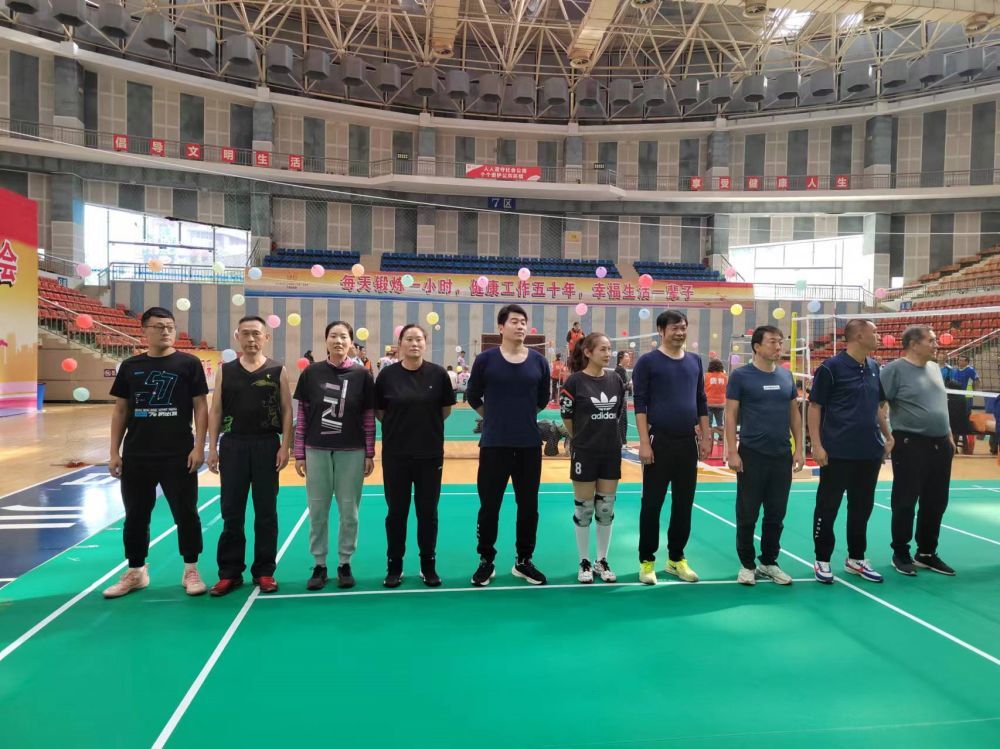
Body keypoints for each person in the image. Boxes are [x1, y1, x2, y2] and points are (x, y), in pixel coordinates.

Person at [104, 307, 209, 598]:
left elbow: (201, 406)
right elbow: (121, 410)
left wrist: (199, 446)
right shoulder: (130, 366)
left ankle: (191, 569)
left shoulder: (189, 363)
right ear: (144, 331)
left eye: (170, 327)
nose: (166, 331)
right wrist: (114, 452)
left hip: (179, 453)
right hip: (137, 455)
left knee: (186, 514)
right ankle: (136, 571)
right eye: (159, 326)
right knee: (136, 515)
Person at [206, 315, 292, 596]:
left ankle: (264, 571)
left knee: (266, 512)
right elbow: (216, 410)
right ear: (237, 337)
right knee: (232, 512)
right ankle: (229, 573)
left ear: (266, 337)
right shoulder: (226, 371)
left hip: (267, 445)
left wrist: (285, 446)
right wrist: (212, 447)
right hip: (233, 445)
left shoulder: (277, 370)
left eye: (256, 333)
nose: (251, 339)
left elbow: (287, 410)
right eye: (246, 333)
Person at [466, 304, 551, 586]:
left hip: (528, 445)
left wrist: (520, 418)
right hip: (494, 445)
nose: (520, 326)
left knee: (528, 507)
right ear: (501, 327)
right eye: (514, 321)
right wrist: (493, 418)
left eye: (523, 321)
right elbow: (473, 396)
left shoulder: (539, 362)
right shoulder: (485, 360)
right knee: (489, 506)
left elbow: (542, 400)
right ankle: (486, 561)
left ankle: (524, 561)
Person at [808, 319, 893, 585]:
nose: (879, 336)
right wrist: (817, 445)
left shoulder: (874, 367)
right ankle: (822, 559)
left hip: (869, 452)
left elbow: (877, 406)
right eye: (875, 332)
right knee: (828, 507)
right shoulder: (830, 368)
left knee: (861, 508)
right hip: (837, 452)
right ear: (858, 335)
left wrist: (888, 435)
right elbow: (814, 407)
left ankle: (856, 558)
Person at [294, 321, 376, 590]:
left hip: (352, 451)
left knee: (349, 511)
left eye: (343, 337)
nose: (338, 341)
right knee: (318, 510)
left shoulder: (362, 375)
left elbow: (368, 417)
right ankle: (319, 564)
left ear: (351, 342)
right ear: (326, 341)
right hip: (316, 450)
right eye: (333, 336)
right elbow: (302, 415)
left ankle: (344, 562)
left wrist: (369, 452)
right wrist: (299, 452)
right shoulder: (311, 373)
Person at [633, 310, 712, 585]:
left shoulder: (694, 361)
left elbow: (701, 400)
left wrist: (706, 435)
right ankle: (647, 561)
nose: (680, 332)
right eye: (675, 328)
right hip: (659, 442)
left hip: (687, 442)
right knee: (652, 504)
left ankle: (676, 559)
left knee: (683, 504)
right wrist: (644, 443)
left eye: (683, 327)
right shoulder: (648, 362)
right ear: (661, 331)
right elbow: (640, 404)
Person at [375, 324, 455, 588]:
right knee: (396, 513)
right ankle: (394, 566)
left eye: (419, 339)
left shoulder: (438, 374)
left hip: (429, 456)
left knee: (427, 512)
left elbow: (445, 410)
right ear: (400, 344)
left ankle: (428, 565)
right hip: (396, 456)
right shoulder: (387, 376)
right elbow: (380, 411)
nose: (414, 344)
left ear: (425, 343)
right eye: (409, 339)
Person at [725, 326, 804, 587]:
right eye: (772, 342)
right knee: (747, 513)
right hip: (751, 455)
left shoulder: (786, 375)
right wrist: (732, 451)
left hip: (781, 455)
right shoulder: (741, 376)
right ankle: (747, 564)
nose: (778, 346)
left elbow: (794, 414)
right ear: (757, 347)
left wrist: (799, 448)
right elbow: (730, 414)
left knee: (776, 514)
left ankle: (769, 562)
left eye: (780, 342)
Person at [880, 326, 956, 577]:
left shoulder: (934, 368)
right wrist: (888, 436)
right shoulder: (893, 370)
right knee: (905, 500)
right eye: (931, 340)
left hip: (940, 445)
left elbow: (940, 405)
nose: (937, 344)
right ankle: (900, 552)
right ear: (913, 344)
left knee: (936, 501)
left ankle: (926, 553)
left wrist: (949, 436)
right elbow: (878, 405)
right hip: (910, 443)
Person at [560, 333, 625, 584]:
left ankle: (602, 560)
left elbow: (617, 413)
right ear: (588, 352)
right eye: (602, 349)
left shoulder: (616, 380)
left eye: (609, 349)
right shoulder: (575, 381)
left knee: (605, 508)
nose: (608, 354)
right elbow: (567, 416)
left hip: (610, 451)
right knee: (584, 509)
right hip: (584, 452)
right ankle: (584, 561)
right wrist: (580, 439)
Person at [705, 359, 728, 443]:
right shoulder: (725, 377)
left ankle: (709, 440)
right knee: (720, 423)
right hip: (721, 403)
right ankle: (721, 438)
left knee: (708, 424)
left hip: (709, 403)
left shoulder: (706, 376)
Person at [614, 351, 632, 447]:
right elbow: (619, 386)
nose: (629, 358)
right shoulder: (620, 370)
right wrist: (630, 385)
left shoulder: (622, 370)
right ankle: (622, 443)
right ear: (621, 358)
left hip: (623, 400)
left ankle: (623, 442)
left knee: (623, 421)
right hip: (620, 400)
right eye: (627, 356)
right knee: (622, 421)